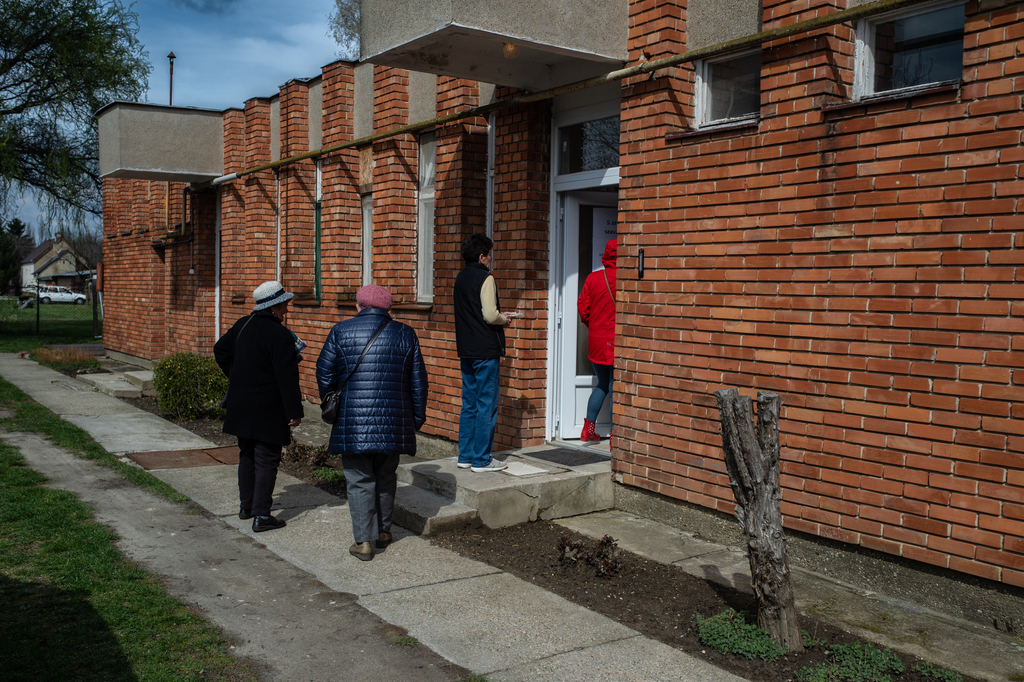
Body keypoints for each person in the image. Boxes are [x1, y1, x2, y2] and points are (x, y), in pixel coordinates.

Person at [316, 285, 428, 561]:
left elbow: (323, 372)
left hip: (353, 422)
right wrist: (416, 418)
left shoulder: (340, 331)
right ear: (388, 309)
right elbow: (419, 382)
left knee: (359, 480)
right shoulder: (405, 333)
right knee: (386, 477)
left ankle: (364, 542)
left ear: (358, 307)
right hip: (393, 422)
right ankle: (384, 532)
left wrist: (331, 403)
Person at [214, 280, 304, 532]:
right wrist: (294, 411)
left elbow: (220, 350)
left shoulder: (243, 324)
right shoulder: (279, 334)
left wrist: (236, 376)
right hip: (268, 406)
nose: (287, 308)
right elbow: (287, 378)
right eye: (285, 303)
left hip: (241, 403)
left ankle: (247, 507)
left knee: (247, 455)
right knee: (267, 459)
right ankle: (262, 515)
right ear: (275, 306)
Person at [453, 233, 512, 472]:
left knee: (469, 404)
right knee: (486, 404)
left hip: (466, 349)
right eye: (489, 255)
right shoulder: (486, 278)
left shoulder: (460, 278)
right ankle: (482, 459)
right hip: (485, 350)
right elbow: (490, 315)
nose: (491, 259)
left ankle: (465, 456)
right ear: (481, 256)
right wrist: (504, 319)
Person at [577, 238, 617, 442]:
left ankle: (587, 430)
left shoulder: (593, 278)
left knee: (602, 383)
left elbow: (583, 309)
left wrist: (594, 326)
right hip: (616, 341)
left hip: (596, 340)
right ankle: (614, 438)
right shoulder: (625, 279)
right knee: (614, 386)